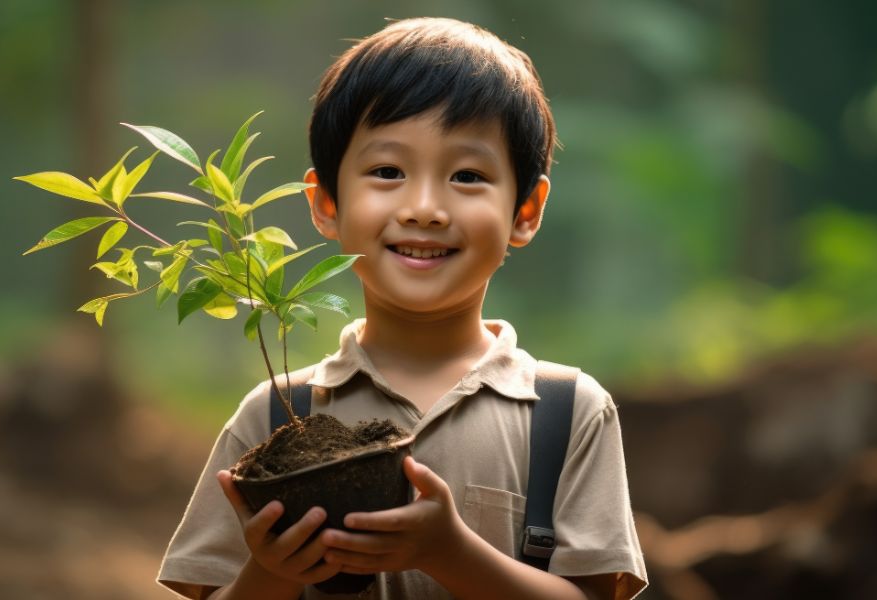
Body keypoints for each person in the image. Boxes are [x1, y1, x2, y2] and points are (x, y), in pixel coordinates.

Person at [157, 17, 648, 600]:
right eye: (388, 172)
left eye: (467, 176)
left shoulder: (566, 414)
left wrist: (451, 552)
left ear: (526, 210)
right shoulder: (277, 415)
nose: (423, 208)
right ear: (326, 204)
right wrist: (271, 570)